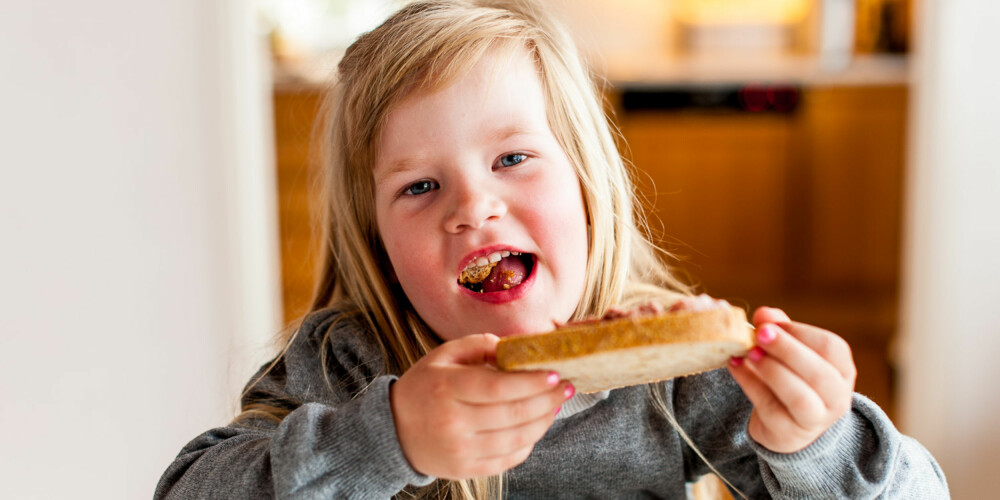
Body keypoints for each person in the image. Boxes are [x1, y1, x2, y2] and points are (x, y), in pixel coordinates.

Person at [155, 1, 949, 498]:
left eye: (512, 159)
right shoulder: (349, 364)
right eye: (419, 187)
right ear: (379, 243)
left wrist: (819, 442)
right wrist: (386, 438)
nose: (473, 207)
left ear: (589, 185)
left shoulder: (672, 380)